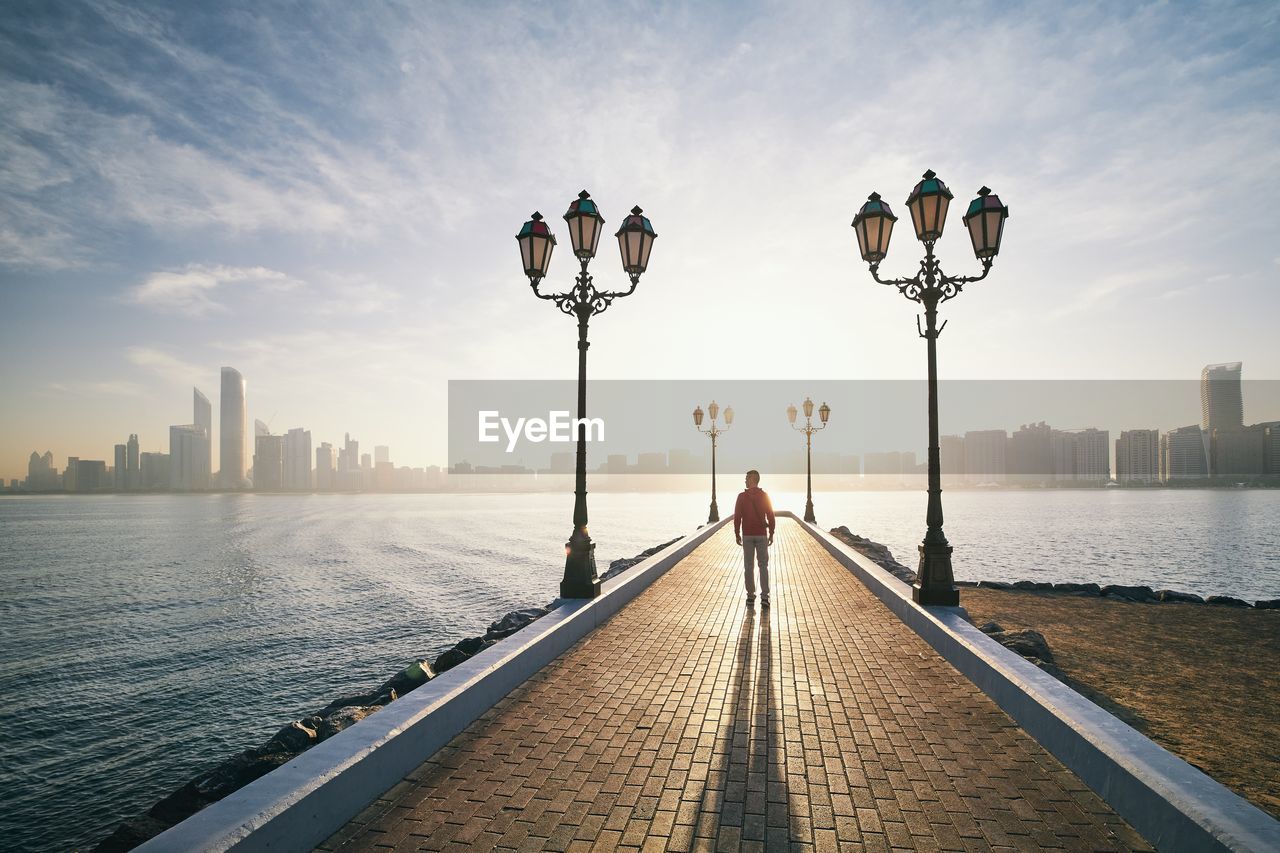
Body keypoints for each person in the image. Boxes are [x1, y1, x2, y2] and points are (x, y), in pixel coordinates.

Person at [733, 469, 776, 607]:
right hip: (761, 535)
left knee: (748, 566)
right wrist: (772, 532)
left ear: (753, 479)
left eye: (747, 478)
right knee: (763, 566)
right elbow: (770, 515)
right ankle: (765, 597)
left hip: (747, 535)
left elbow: (737, 516)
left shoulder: (741, 497)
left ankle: (750, 596)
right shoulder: (764, 496)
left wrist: (737, 533)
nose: (745, 480)